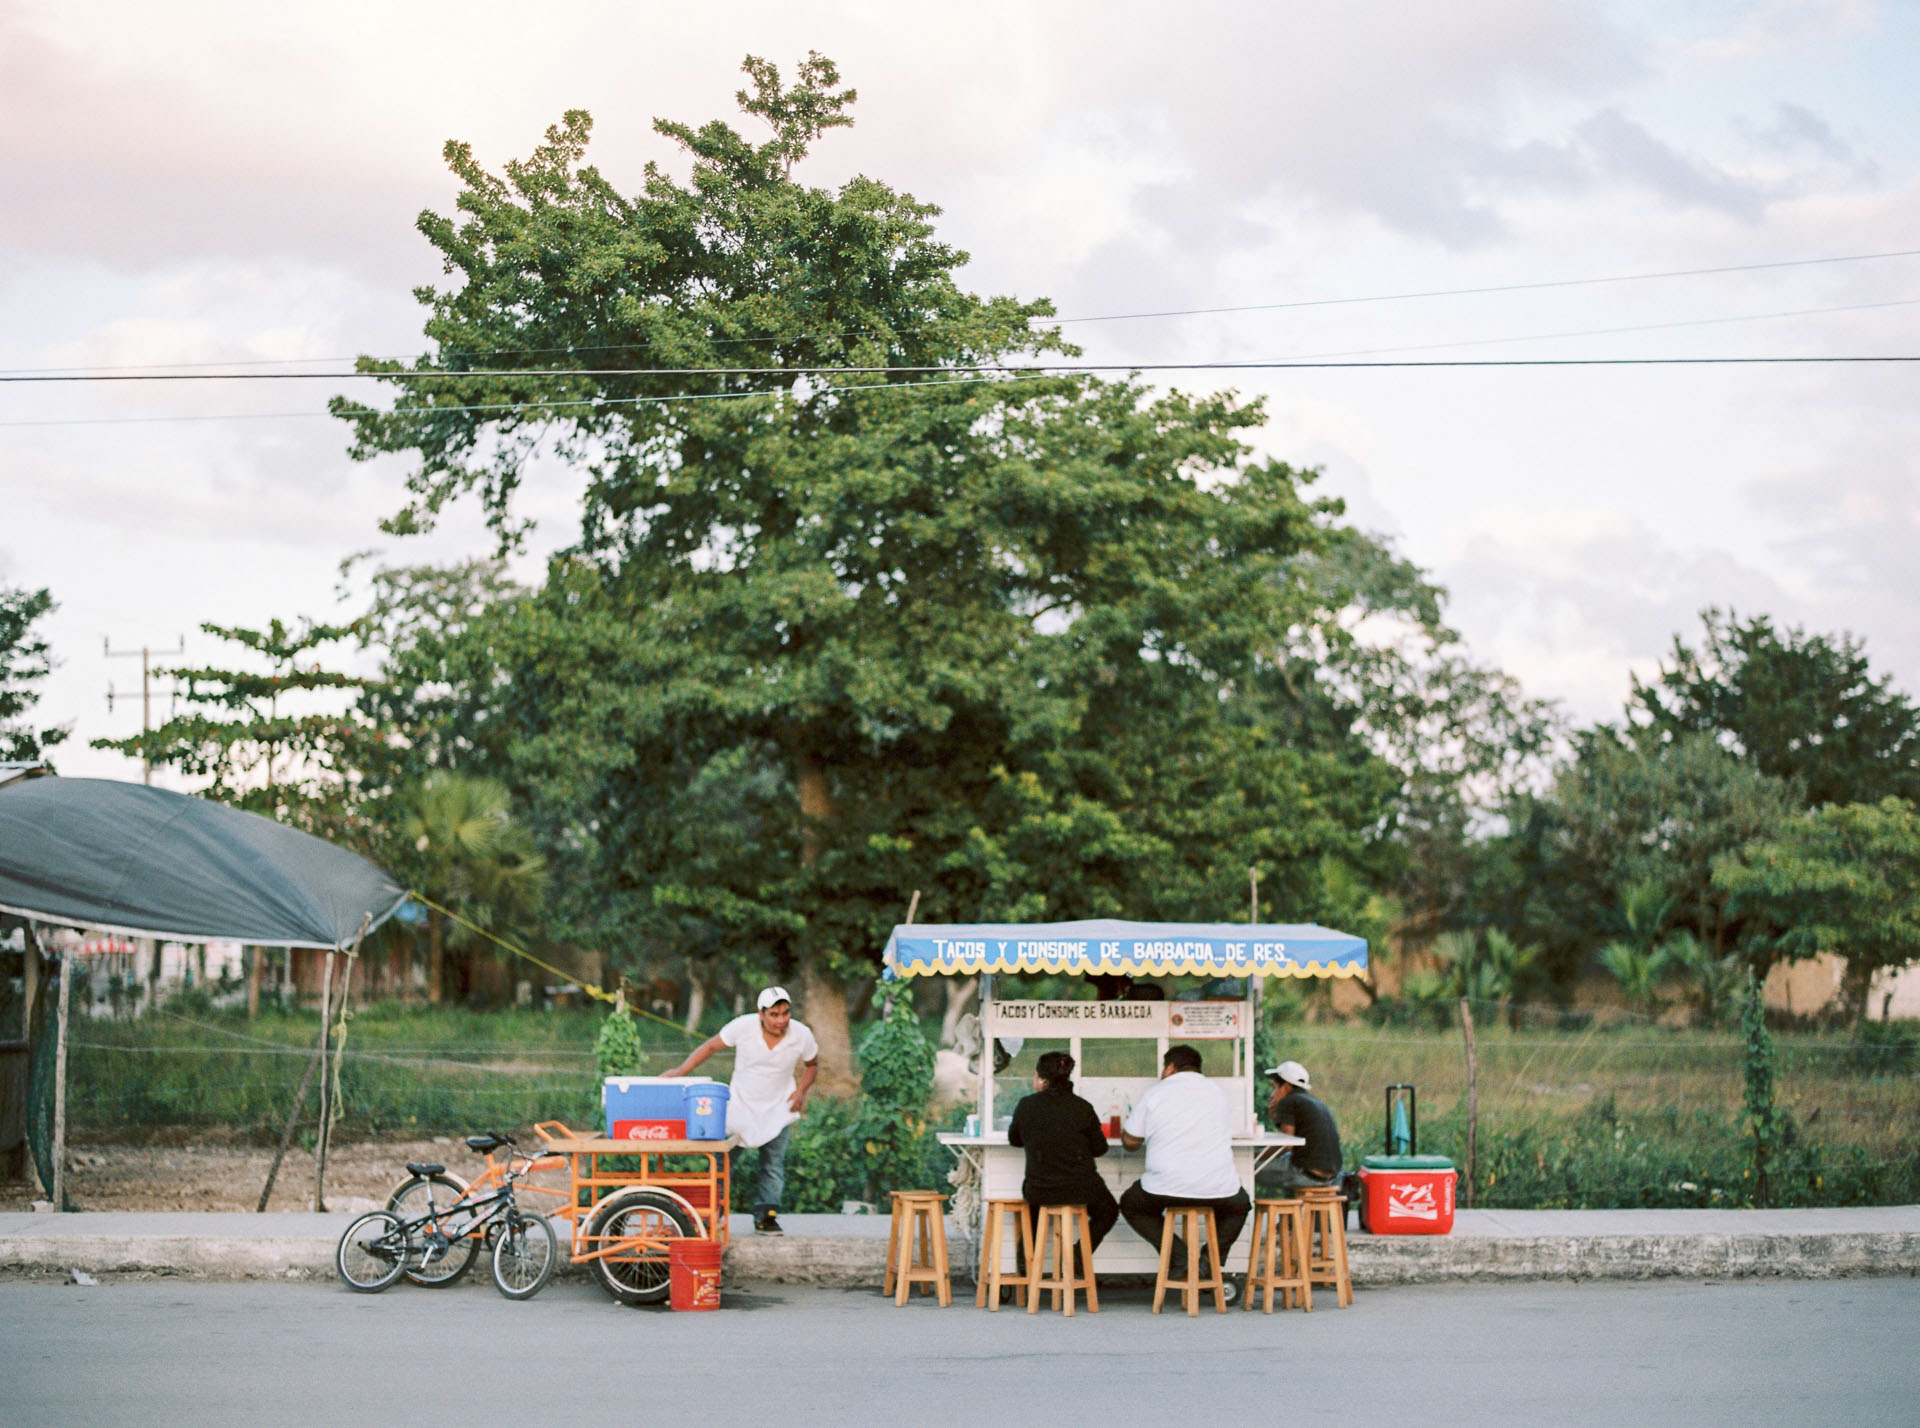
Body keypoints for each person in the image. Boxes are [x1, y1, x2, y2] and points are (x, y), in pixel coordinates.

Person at [665, 985, 819, 1235]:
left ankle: (766, 1216)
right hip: (740, 1105)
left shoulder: (801, 1034)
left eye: (785, 1014)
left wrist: (801, 1091)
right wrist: (680, 1071)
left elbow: (812, 1065)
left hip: (779, 1106)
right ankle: (711, 1212)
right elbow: (710, 1047)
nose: (781, 1020)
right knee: (722, 1160)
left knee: (772, 1164)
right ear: (761, 1013)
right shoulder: (743, 1026)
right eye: (774, 1014)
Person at [1118, 1044, 1250, 1292]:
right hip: (1217, 1187)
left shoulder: (1155, 1093)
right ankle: (1208, 1262)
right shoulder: (1219, 1093)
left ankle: (1178, 1257)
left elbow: (1131, 1142)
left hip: (1164, 1187)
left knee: (1131, 1204)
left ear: (1169, 1067)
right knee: (1239, 1205)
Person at [1007, 1050, 1119, 1283]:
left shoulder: (1027, 1105)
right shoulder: (1082, 1107)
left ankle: (1025, 1263)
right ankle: (1077, 1256)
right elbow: (1100, 1149)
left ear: (1042, 1079)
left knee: (1036, 1208)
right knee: (1108, 1211)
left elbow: (1015, 1140)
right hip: (1081, 1188)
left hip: (1039, 1188)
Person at [1256, 1060, 1343, 1194]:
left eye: (1274, 1087)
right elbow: (1290, 1136)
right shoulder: (1314, 1102)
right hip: (1331, 1175)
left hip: (1306, 1174)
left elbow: (1287, 1144)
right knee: (1288, 1161)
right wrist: (1275, 1115)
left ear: (1285, 1086)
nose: (1273, 1093)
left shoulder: (1289, 1101)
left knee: (1247, 1169)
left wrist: (1256, 1156)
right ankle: (1291, 1214)